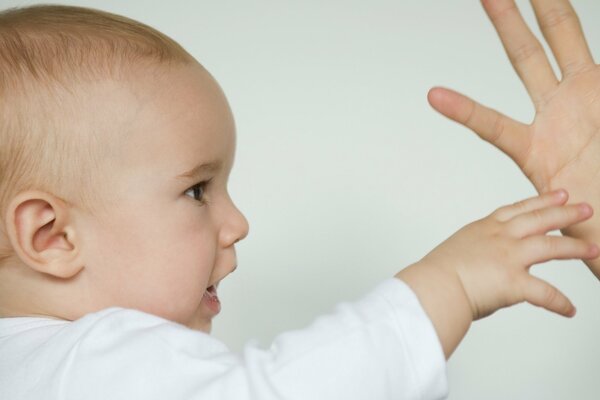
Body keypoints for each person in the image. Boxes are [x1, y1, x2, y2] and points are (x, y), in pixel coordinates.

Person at [0, 2, 597, 399]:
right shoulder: (92, 362)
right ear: (52, 236)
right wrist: (451, 286)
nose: (237, 223)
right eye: (197, 189)